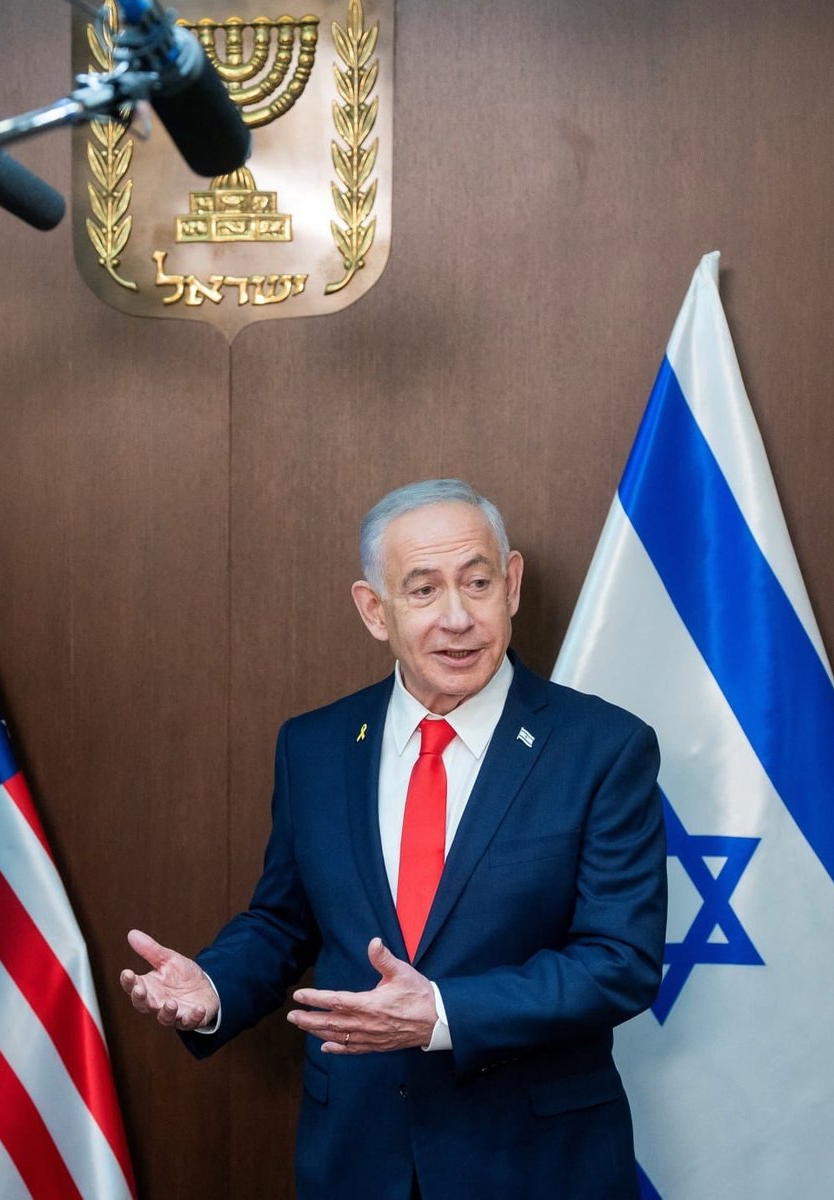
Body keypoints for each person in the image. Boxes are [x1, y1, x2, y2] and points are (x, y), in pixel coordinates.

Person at [121, 479, 666, 1200]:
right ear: (374, 610)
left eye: (478, 583)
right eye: (423, 590)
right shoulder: (313, 746)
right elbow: (283, 920)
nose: (457, 618)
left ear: (511, 585)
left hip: (534, 1160)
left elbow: (620, 961)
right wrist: (214, 986)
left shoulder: (603, 747)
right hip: (357, 1151)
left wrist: (442, 1012)